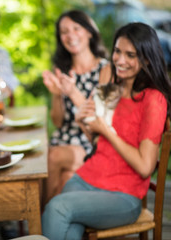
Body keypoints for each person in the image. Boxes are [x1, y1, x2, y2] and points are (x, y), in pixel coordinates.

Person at [42, 22, 171, 239]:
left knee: (57, 207)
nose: (120, 60)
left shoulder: (153, 100)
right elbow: (94, 139)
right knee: (69, 227)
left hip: (123, 196)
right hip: (87, 177)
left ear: (147, 59)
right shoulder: (111, 83)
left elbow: (144, 166)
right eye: (118, 52)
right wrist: (84, 119)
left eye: (130, 55)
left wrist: (107, 130)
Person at [41, 10, 111, 207]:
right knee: (63, 178)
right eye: (64, 31)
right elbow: (57, 122)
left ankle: (41, 223)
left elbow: (99, 118)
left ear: (89, 32)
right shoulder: (62, 70)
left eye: (76, 28)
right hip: (62, 140)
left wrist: (72, 92)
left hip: (90, 141)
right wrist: (56, 93)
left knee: (52, 157)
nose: (70, 35)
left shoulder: (105, 70)